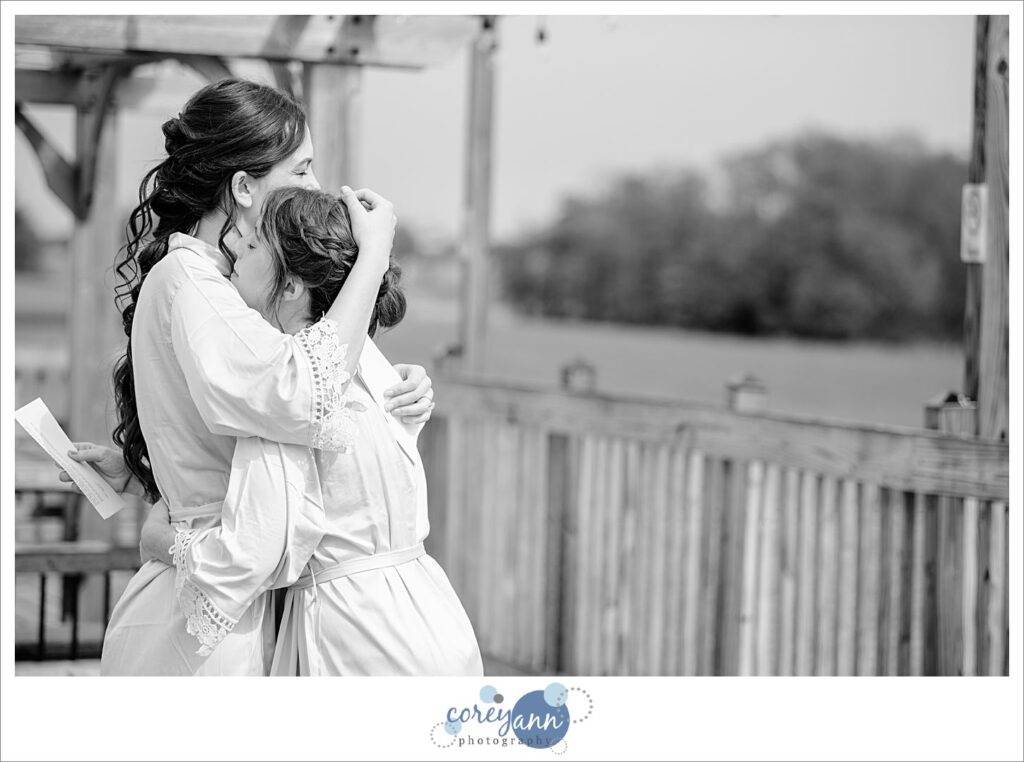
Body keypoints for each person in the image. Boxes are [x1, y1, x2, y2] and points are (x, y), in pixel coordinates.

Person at [69, 78, 435, 675]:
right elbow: (297, 395)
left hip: (221, 599)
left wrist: (393, 395)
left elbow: (243, 428)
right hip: (206, 611)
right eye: (302, 169)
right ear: (243, 187)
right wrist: (372, 255)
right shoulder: (194, 281)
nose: (315, 187)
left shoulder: (217, 287)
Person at [143, 187, 483, 675]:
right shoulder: (370, 364)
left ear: (290, 287)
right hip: (433, 617)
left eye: (254, 245)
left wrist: (161, 536)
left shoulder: (290, 406)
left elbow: (250, 553)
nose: (234, 248)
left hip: (353, 638)